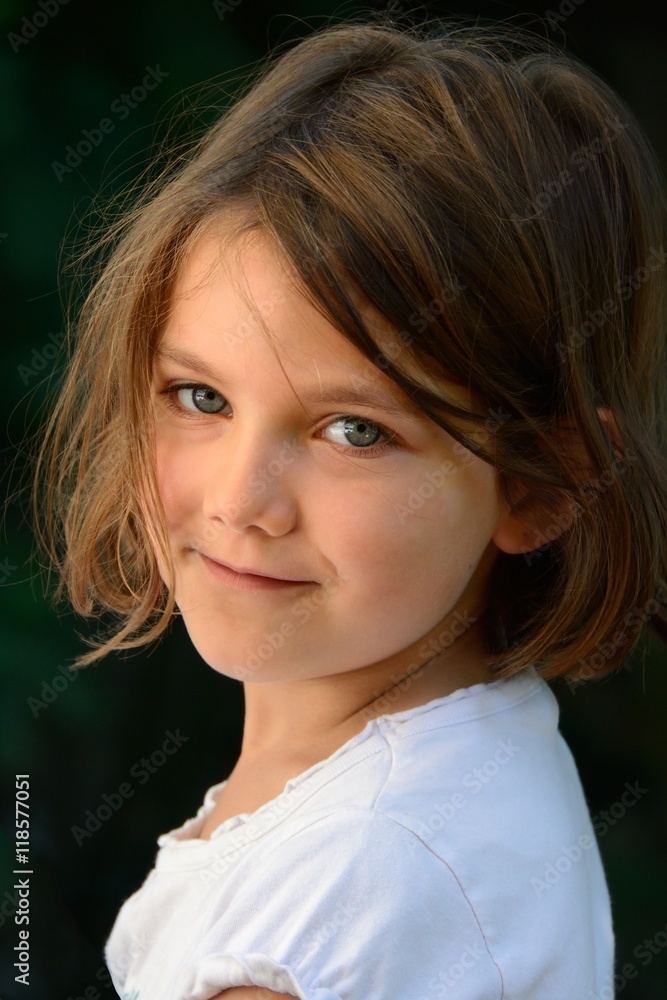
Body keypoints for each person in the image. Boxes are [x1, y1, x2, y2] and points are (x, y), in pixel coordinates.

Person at [33, 12, 667, 1000]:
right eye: (200, 397)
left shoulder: (347, 887)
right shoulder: (454, 773)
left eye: (354, 430)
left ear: (540, 484)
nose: (241, 501)